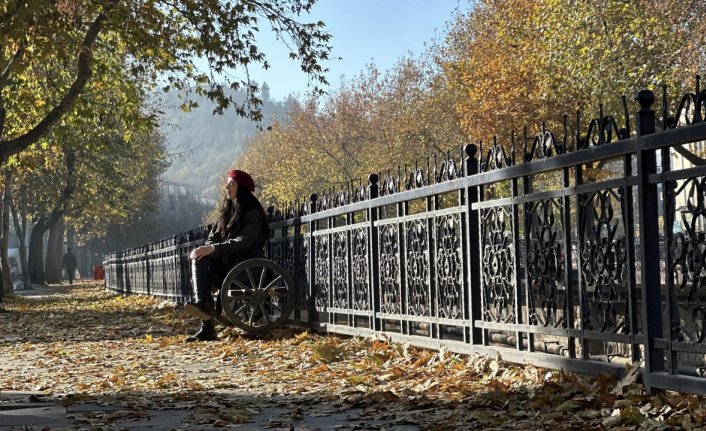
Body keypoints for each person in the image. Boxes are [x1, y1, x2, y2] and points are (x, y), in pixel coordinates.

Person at [184, 169, 269, 341]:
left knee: (205, 256)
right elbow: (212, 238)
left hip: (246, 270)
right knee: (199, 259)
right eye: (227, 183)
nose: (226, 187)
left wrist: (214, 249)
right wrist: (206, 249)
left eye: (232, 183)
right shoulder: (227, 212)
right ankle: (205, 320)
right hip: (228, 268)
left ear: (242, 188)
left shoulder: (253, 212)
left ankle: (203, 308)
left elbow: (245, 242)